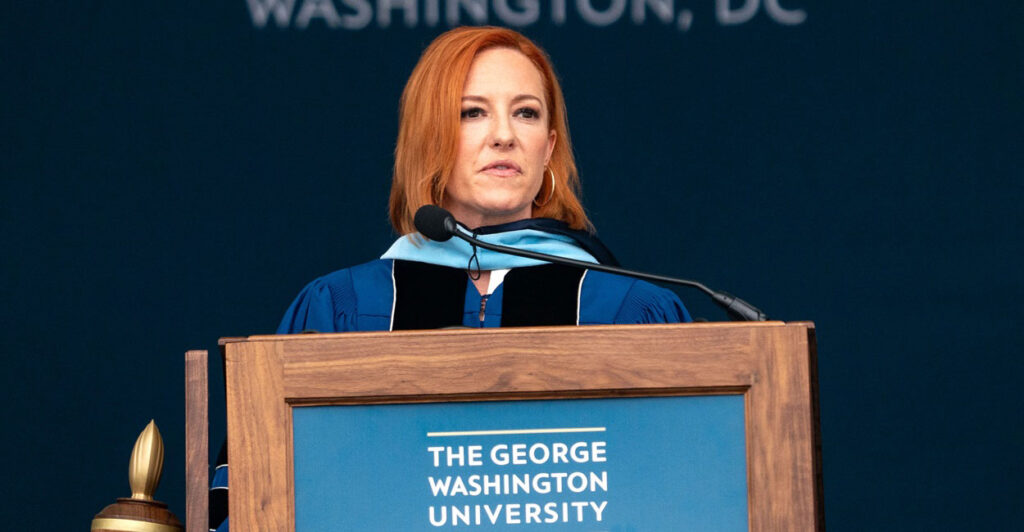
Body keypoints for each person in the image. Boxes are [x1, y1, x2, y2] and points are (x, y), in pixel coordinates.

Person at [210, 25, 690, 531]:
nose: (504, 134)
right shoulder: (340, 308)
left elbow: (685, 492)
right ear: (430, 136)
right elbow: (253, 500)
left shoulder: (629, 310)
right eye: (472, 112)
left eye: (525, 112)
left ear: (548, 148)